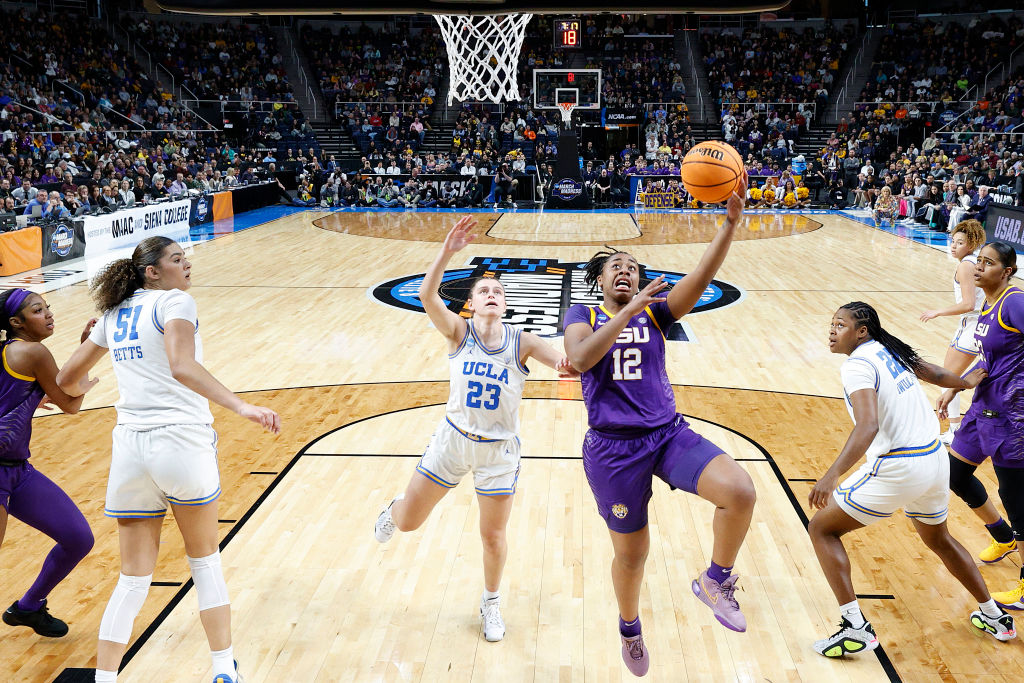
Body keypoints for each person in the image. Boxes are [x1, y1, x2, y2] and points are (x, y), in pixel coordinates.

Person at [55, 237, 281, 683]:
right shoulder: (174, 302)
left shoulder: (113, 314)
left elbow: (65, 380)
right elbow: (181, 365)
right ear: (152, 272)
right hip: (180, 442)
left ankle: (105, 678)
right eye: (177, 259)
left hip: (130, 450)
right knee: (205, 563)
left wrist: (90, 376)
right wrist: (242, 406)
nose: (187, 265)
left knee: (132, 580)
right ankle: (223, 670)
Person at [562, 175, 755, 677]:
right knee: (633, 555)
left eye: (632, 267)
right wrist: (629, 309)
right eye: (616, 267)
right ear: (600, 280)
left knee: (739, 491)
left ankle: (715, 580)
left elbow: (701, 276)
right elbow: (580, 359)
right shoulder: (582, 313)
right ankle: (630, 627)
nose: (625, 271)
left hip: (667, 435)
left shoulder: (657, 314)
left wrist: (729, 224)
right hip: (613, 450)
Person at [374, 217, 577, 643]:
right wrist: (447, 252)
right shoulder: (458, 332)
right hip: (452, 442)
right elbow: (426, 295)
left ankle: (491, 603)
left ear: (505, 305)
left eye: (498, 292)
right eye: (484, 291)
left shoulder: (522, 341)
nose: (491, 295)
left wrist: (582, 357)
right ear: (470, 303)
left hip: (498, 453)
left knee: (493, 536)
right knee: (409, 523)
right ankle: (393, 511)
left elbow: (565, 366)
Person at [808, 301, 1015, 658]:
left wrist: (832, 475)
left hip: (900, 465)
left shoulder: (857, 365)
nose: (832, 330)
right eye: (832, 323)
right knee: (940, 539)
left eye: (840, 325)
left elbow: (868, 426)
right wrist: (963, 382)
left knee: (821, 529)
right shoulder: (888, 348)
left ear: (861, 332)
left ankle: (854, 626)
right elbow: (932, 372)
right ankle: (994, 615)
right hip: (934, 460)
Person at [0, 289, 97, 638]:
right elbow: (70, 403)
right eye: (38, 310)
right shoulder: (32, 352)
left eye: (47, 307)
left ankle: (28, 607)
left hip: (17, 469)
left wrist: (30, 396)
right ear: (17, 322)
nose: (49, 314)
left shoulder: (12, 352)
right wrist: (87, 353)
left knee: (77, 538)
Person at [938, 243, 1024, 607]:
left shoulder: (1015, 302)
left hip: (1013, 415)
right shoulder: (989, 303)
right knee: (955, 475)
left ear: (1007, 272)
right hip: (984, 406)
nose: (978, 267)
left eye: (988, 263)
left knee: (1017, 499)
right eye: (980, 261)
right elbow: (992, 357)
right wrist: (958, 384)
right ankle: (1002, 536)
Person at [920, 220, 986, 446]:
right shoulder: (976, 261)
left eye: (960, 242)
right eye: (953, 241)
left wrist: (938, 312)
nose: (954, 246)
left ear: (971, 244)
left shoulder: (966, 265)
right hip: (981, 323)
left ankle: (955, 430)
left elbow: (968, 304)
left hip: (972, 324)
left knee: (948, 377)